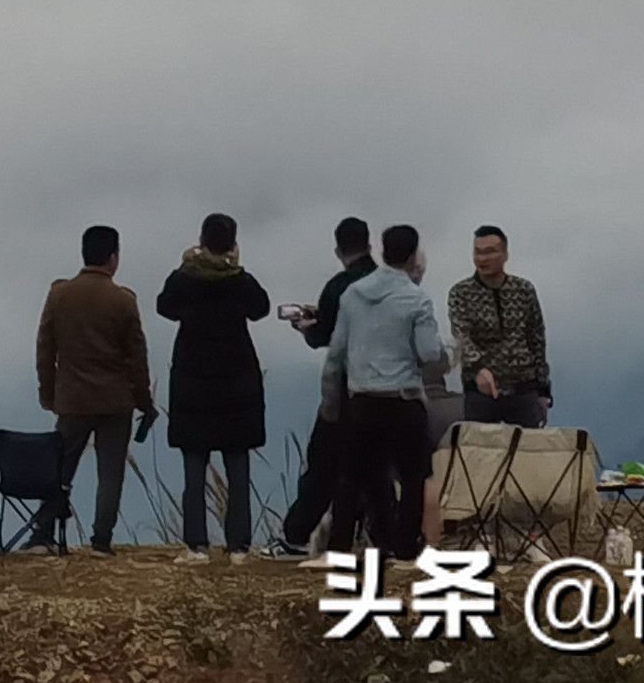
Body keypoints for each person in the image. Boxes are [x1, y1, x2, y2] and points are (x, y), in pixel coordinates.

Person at [320, 223, 449, 563]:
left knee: (351, 477)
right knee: (412, 477)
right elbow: (429, 354)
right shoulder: (416, 298)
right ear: (412, 256)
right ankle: (405, 547)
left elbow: (336, 354)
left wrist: (331, 403)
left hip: (361, 401)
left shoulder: (353, 294)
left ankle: (339, 548)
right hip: (403, 400)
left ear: (382, 250)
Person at [37, 224, 158, 554]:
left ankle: (43, 531)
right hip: (115, 401)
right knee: (110, 473)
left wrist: (48, 394)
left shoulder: (59, 294)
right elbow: (137, 360)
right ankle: (101, 539)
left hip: (72, 399)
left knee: (61, 468)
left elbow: (45, 349)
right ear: (113, 258)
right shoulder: (123, 301)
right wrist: (144, 402)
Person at [155, 213, 270, 561]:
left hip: (194, 383)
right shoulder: (240, 280)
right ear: (233, 244)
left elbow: (165, 307)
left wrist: (182, 266)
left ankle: (196, 544)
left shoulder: (185, 279)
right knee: (237, 465)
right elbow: (261, 309)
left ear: (201, 241)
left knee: (194, 465)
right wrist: (239, 266)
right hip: (237, 383)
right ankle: (238, 546)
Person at [274, 216, 375, 555]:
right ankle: (377, 537)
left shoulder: (338, 287)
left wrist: (306, 326)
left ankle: (296, 537)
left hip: (346, 388)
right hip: (386, 388)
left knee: (323, 466)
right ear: (370, 244)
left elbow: (326, 337)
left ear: (337, 250)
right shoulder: (389, 284)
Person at [446, 225, 552, 427]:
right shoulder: (461, 292)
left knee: (529, 451)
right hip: (481, 391)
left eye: (490, 252)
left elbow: (536, 338)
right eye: (478, 252)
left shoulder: (524, 290)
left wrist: (543, 389)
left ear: (505, 255)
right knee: (481, 454)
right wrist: (478, 369)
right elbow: (461, 335)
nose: (482, 259)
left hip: (523, 388)